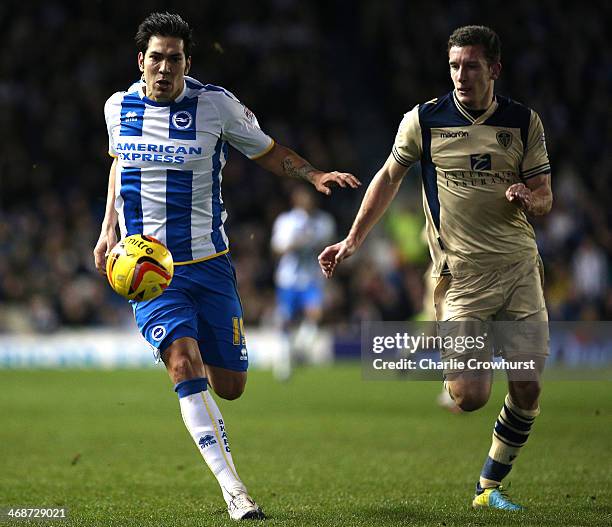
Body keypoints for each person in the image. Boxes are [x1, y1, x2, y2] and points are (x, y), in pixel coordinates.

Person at [93, 12, 360, 521]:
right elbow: (119, 163)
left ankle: (219, 425)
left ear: (187, 62)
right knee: (183, 363)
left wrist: (313, 174)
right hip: (151, 271)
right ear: (141, 62)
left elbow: (268, 151)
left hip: (211, 265)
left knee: (230, 386)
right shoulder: (117, 107)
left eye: (174, 58)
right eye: (156, 58)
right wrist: (108, 228)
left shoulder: (216, 106)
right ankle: (235, 491)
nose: (164, 67)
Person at [319, 25, 552, 511]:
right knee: (469, 397)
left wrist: (531, 197)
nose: (460, 75)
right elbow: (387, 177)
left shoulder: (524, 122)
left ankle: (488, 488)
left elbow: (546, 196)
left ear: (494, 69)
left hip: (520, 270)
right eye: (454, 65)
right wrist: (353, 239)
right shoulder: (424, 121)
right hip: (462, 278)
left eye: (471, 65)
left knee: (528, 387)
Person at [270, 186, 335, 380]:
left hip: (311, 277)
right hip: (288, 278)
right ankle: (284, 363)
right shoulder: (286, 221)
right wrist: (293, 244)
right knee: (285, 320)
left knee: (315, 314)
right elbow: (276, 249)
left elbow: (329, 246)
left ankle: (300, 349)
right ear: (295, 200)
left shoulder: (324, 221)